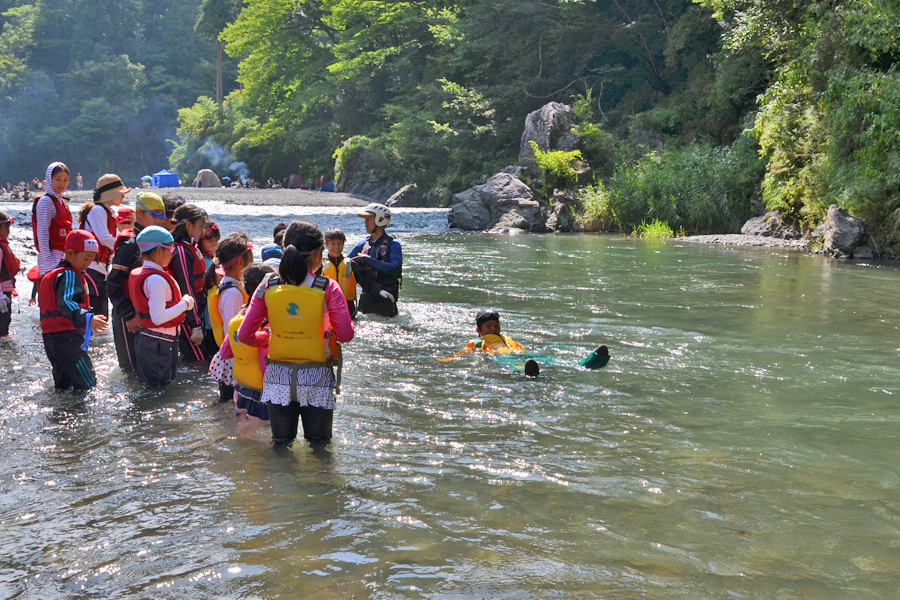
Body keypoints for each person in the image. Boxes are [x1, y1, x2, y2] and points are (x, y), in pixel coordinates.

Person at [237, 219, 354, 445]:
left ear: (284, 251)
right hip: (316, 378)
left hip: (277, 379)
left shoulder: (267, 285)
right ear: (319, 254)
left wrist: (268, 337)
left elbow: (245, 336)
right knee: (320, 449)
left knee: (280, 446)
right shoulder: (328, 287)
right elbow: (346, 335)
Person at [39, 230, 110, 391]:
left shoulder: (55, 275)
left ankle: (60, 415)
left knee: (63, 386)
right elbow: (67, 302)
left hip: (52, 339)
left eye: (91, 260)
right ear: (70, 253)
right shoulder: (69, 275)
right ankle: (84, 416)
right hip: (67, 340)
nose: (87, 264)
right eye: (85, 259)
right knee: (88, 384)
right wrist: (88, 318)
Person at [107, 192, 169, 371]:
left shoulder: (158, 243)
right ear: (139, 214)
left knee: (147, 364)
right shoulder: (130, 244)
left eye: (162, 215)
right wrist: (128, 315)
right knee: (132, 367)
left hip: (146, 312)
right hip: (128, 314)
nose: (160, 219)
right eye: (155, 214)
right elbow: (113, 283)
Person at [128, 226, 195, 387]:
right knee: (159, 389)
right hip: (157, 346)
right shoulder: (156, 280)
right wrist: (185, 304)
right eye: (170, 248)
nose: (172, 252)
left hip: (151, 342)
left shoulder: (147, 274)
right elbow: (157, 318)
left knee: (155, 388)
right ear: (159, 250)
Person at [206, 231, 253, 403]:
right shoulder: (233, 293)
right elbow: (232, 332)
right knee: (232, 406)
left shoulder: (230, 286)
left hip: (231, 358)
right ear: (241, 262)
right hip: (233, 362)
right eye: (250, 260)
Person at [77, 173, 130, 319]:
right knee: (97, 312)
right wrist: (125, 247)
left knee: (100, 313)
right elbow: (104, 237)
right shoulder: (99, 210)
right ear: (110, 195)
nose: (123, 197)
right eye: (120, 194)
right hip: (92, 267)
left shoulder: (104, 211)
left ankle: (95, 341)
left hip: (100, 267)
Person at [226, 263, 274, 420]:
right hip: (260, 396)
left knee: (243, 432)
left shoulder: (237, 320)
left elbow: (225, 352)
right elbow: (264, 365)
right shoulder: (266, 325)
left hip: (240, 391)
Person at [167, 204, 210, 362]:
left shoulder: (191, 248)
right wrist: (195, 325)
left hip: (195, 314)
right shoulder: (182, 252)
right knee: (198, 360)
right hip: (188, 318)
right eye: (200, 226)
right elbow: (186, 290)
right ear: (189, 225)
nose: (203, 231)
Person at [348, 203, 402, 317]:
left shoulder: (393, 244)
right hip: (366, 298)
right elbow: (345, 263)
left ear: (381, 219)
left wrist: (368, 260)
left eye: (369, 218)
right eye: (365, 218)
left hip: (387, 298)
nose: (365, 222)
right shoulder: (361, 244)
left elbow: (394, 269)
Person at [32, 162, 73, 278]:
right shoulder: (46, 202)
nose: (62, 184)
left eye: (65, 180)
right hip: (51, 259)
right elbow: (42, 232)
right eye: (58, 179)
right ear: (50, 179)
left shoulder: (61, 201)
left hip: (63, 257)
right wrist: (48, 263)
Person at [322, 227, 357, 318]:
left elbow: (365, 282)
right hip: (328, 308)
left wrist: (379, 291)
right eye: (333, 244)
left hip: (348, 309)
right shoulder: (321, 265)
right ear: (325, 244)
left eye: (339, 243)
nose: (337, 247)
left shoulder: (350, 264)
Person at [0, 212, 21, 339]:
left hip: (5, 292)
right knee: (2, 327)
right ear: (3, 228)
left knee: (4, 324)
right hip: (2, 295)